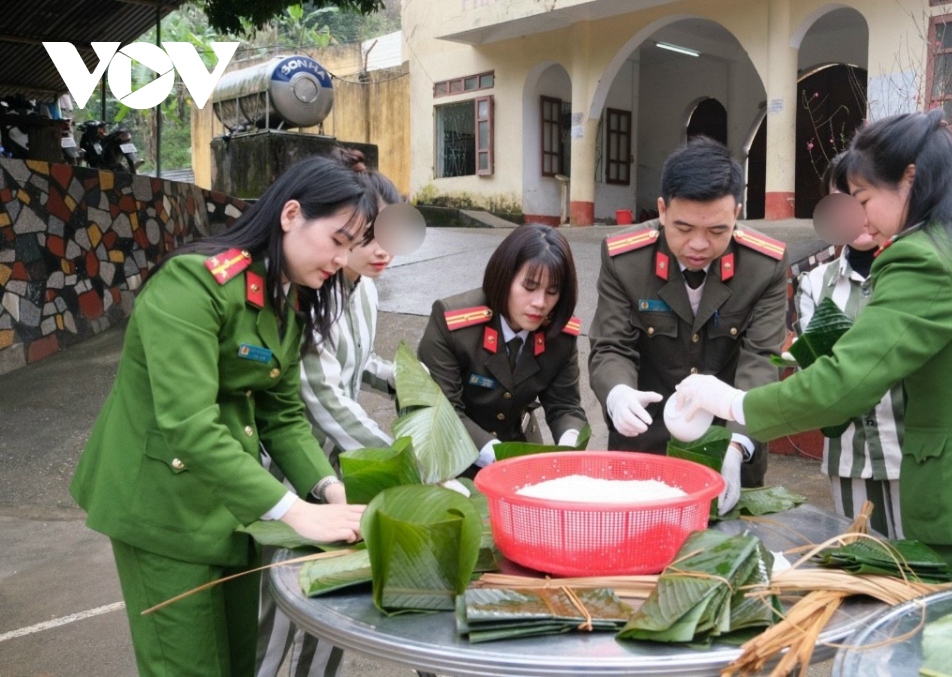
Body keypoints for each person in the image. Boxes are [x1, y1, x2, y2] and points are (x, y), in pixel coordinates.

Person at [676, 110, 952, 577]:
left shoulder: (925, 259)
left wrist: (737, 404)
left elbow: (845, 383)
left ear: (910, 179)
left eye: (862, 197)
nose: (858, 217)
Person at [70, 153, 380, 676]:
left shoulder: (288, 299)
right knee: (186, 667)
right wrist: (292, 510)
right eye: (337, 240)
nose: (341, 260)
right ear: (291, 215)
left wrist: (328, 490)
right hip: (160, 508)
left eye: (353, 247)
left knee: (237, 662)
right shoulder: (194, 285)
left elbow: (282, 417)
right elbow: (188, 423)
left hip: (232, 504)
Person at [255, 152, 406, 677]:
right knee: (276, 615)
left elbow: (354, 364)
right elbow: (322, 394)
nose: (383, 249)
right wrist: (405, 466)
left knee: (337, 603)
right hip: (293, 472)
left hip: (339, 471)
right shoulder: (308, 292)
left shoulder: (360, 290)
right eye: (365, 236)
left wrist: (407, 383)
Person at [588, 137, 789, 515]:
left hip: (727, 441)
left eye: (717, 231)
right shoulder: (626, 261)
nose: (698, 245)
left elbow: (760, 359)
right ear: (662, 210)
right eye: (682, 228)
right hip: (644, 447)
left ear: (737, 214)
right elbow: (612, 345)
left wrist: (737, 446)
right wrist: (617, 395)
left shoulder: (763, 267)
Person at [796, 153, 906, 539]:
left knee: (922, 566)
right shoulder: (814, 283)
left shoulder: (915, 273)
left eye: (862, 200)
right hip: (848, 458)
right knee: (863, 565)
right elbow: (817, 370)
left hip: (915, 455)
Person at [418, 224, 587, 472]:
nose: (540, 303)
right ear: (505, 277)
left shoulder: (559, 335)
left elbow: (565, 405)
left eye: (552, 291)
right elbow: (442, 411)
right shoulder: (455, 324)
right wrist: (497, 456)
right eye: (529, 287)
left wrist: (571, 439)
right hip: (452, 456)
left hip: (517, 451)